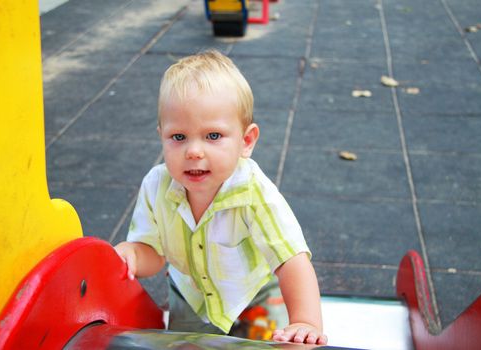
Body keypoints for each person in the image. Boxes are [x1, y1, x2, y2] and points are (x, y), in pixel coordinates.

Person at [114, 50, 327, 345]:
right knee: (186, 345)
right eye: (178, 137)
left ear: (246, 141)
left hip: (252, 300)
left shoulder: (254, 194)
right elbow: (153, 254)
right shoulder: (156, 186)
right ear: (161, 135)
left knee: (261, 345)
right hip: (190, 299)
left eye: (212, 136)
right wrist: (133, 255)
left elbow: (292, 259)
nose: (194, 151)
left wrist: (305, 321)